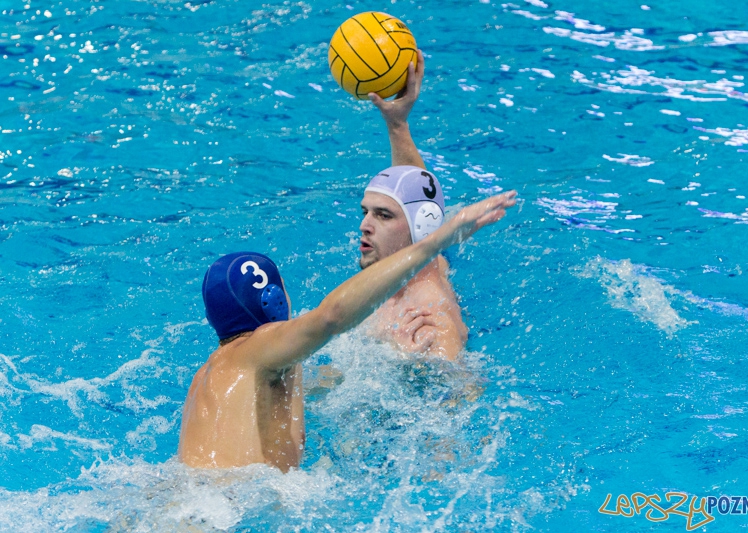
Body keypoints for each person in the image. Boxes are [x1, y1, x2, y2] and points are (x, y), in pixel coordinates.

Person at [178, 190, 517, 471]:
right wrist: (437, 240)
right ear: (274, 302)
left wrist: (393, 363)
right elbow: (333, 315)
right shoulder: (262, 348)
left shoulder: (212, 374)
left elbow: (323, 387)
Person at [360, 51, 468, 360]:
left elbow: (465, 393)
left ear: (420, 228)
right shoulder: (392, 278)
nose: (364, 225)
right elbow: (416, 193)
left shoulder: (429, 316)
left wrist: (401, 363)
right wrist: (396, 124)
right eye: (366, 211)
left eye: (383, 215)